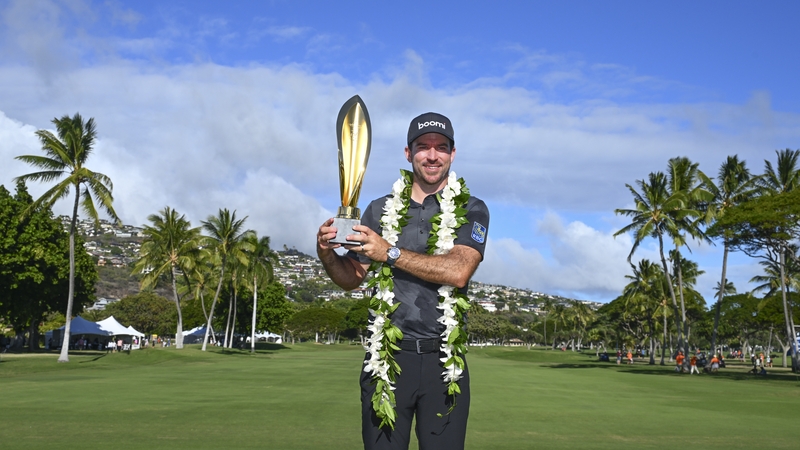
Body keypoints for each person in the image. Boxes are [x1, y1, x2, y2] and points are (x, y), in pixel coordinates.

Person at [317, 112, 489, 450]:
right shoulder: (379, 209)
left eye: (441, 147)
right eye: (422, 147)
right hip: (387, 362)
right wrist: (325, 252)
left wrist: (390, 252)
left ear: (453, 154)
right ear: (408, 154)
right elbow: (352, 278)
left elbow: (458, 270)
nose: (432, 155)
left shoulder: (472, 209)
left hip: (444, 364)